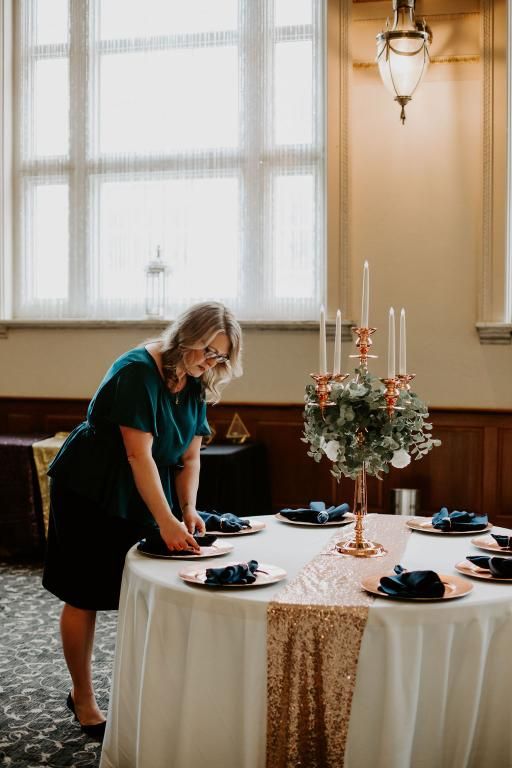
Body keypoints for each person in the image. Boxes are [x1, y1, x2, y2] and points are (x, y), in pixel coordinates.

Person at [42, 302, 242, 741]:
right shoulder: (136, 370)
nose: (211, 361)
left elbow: (190, 456)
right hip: (93, 488)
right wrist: (166, 520)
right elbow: (138, 455)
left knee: (150, 587)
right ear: (185, 337)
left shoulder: (195, 379)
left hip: (147, 489)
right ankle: (83, 698)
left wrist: (187, 509)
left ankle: (151, 692)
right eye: (207, 350)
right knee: (86, 592)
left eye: (220, 356)